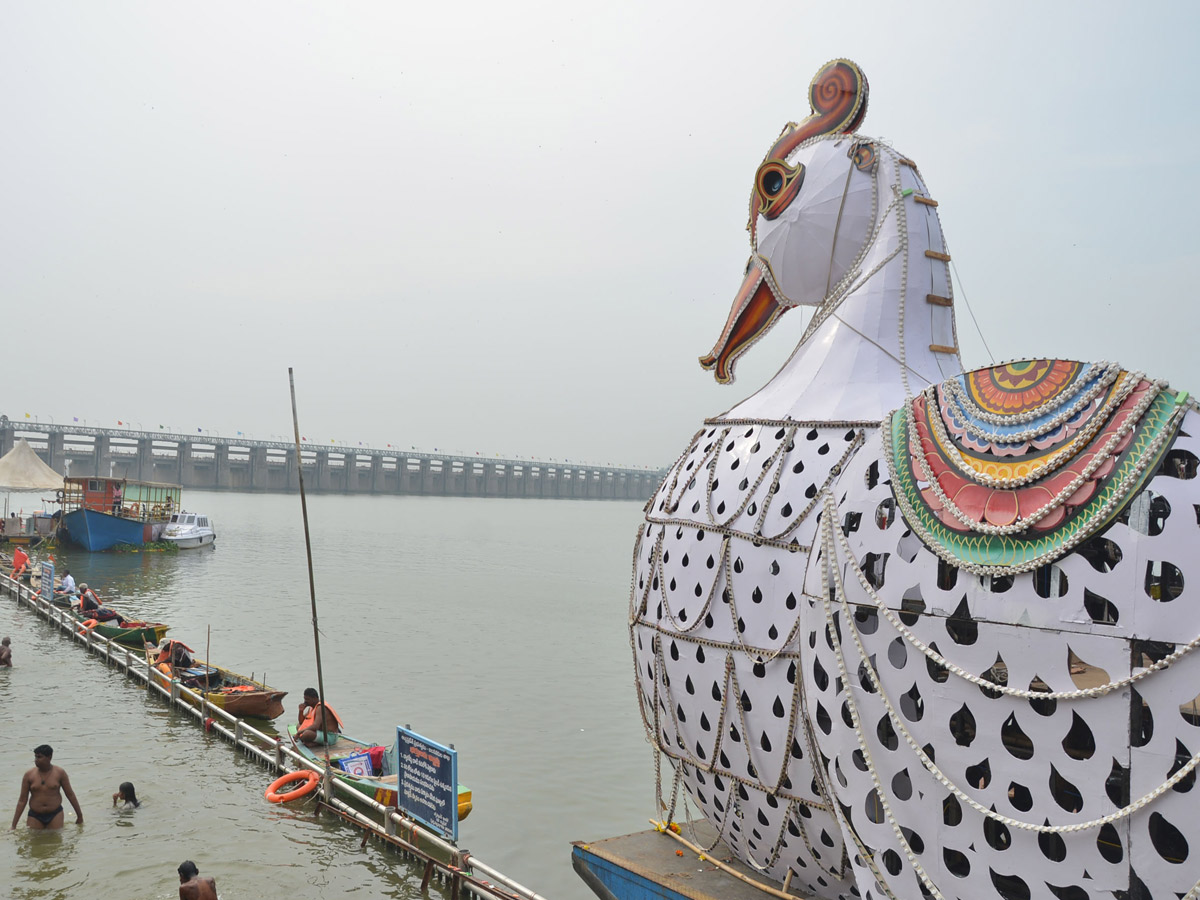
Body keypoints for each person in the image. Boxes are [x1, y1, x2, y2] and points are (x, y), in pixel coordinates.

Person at [11, 745, 84, 829]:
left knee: (55, 840)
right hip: (35, 815)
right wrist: (13, 825)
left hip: (55, 813)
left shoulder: (59, 773)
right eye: (35, 757)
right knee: (33, 839)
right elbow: (22, 800)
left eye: (39, 757)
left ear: (49, 757)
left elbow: (70, 795)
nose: (36, 760)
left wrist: (79, 816)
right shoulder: (29, 775)